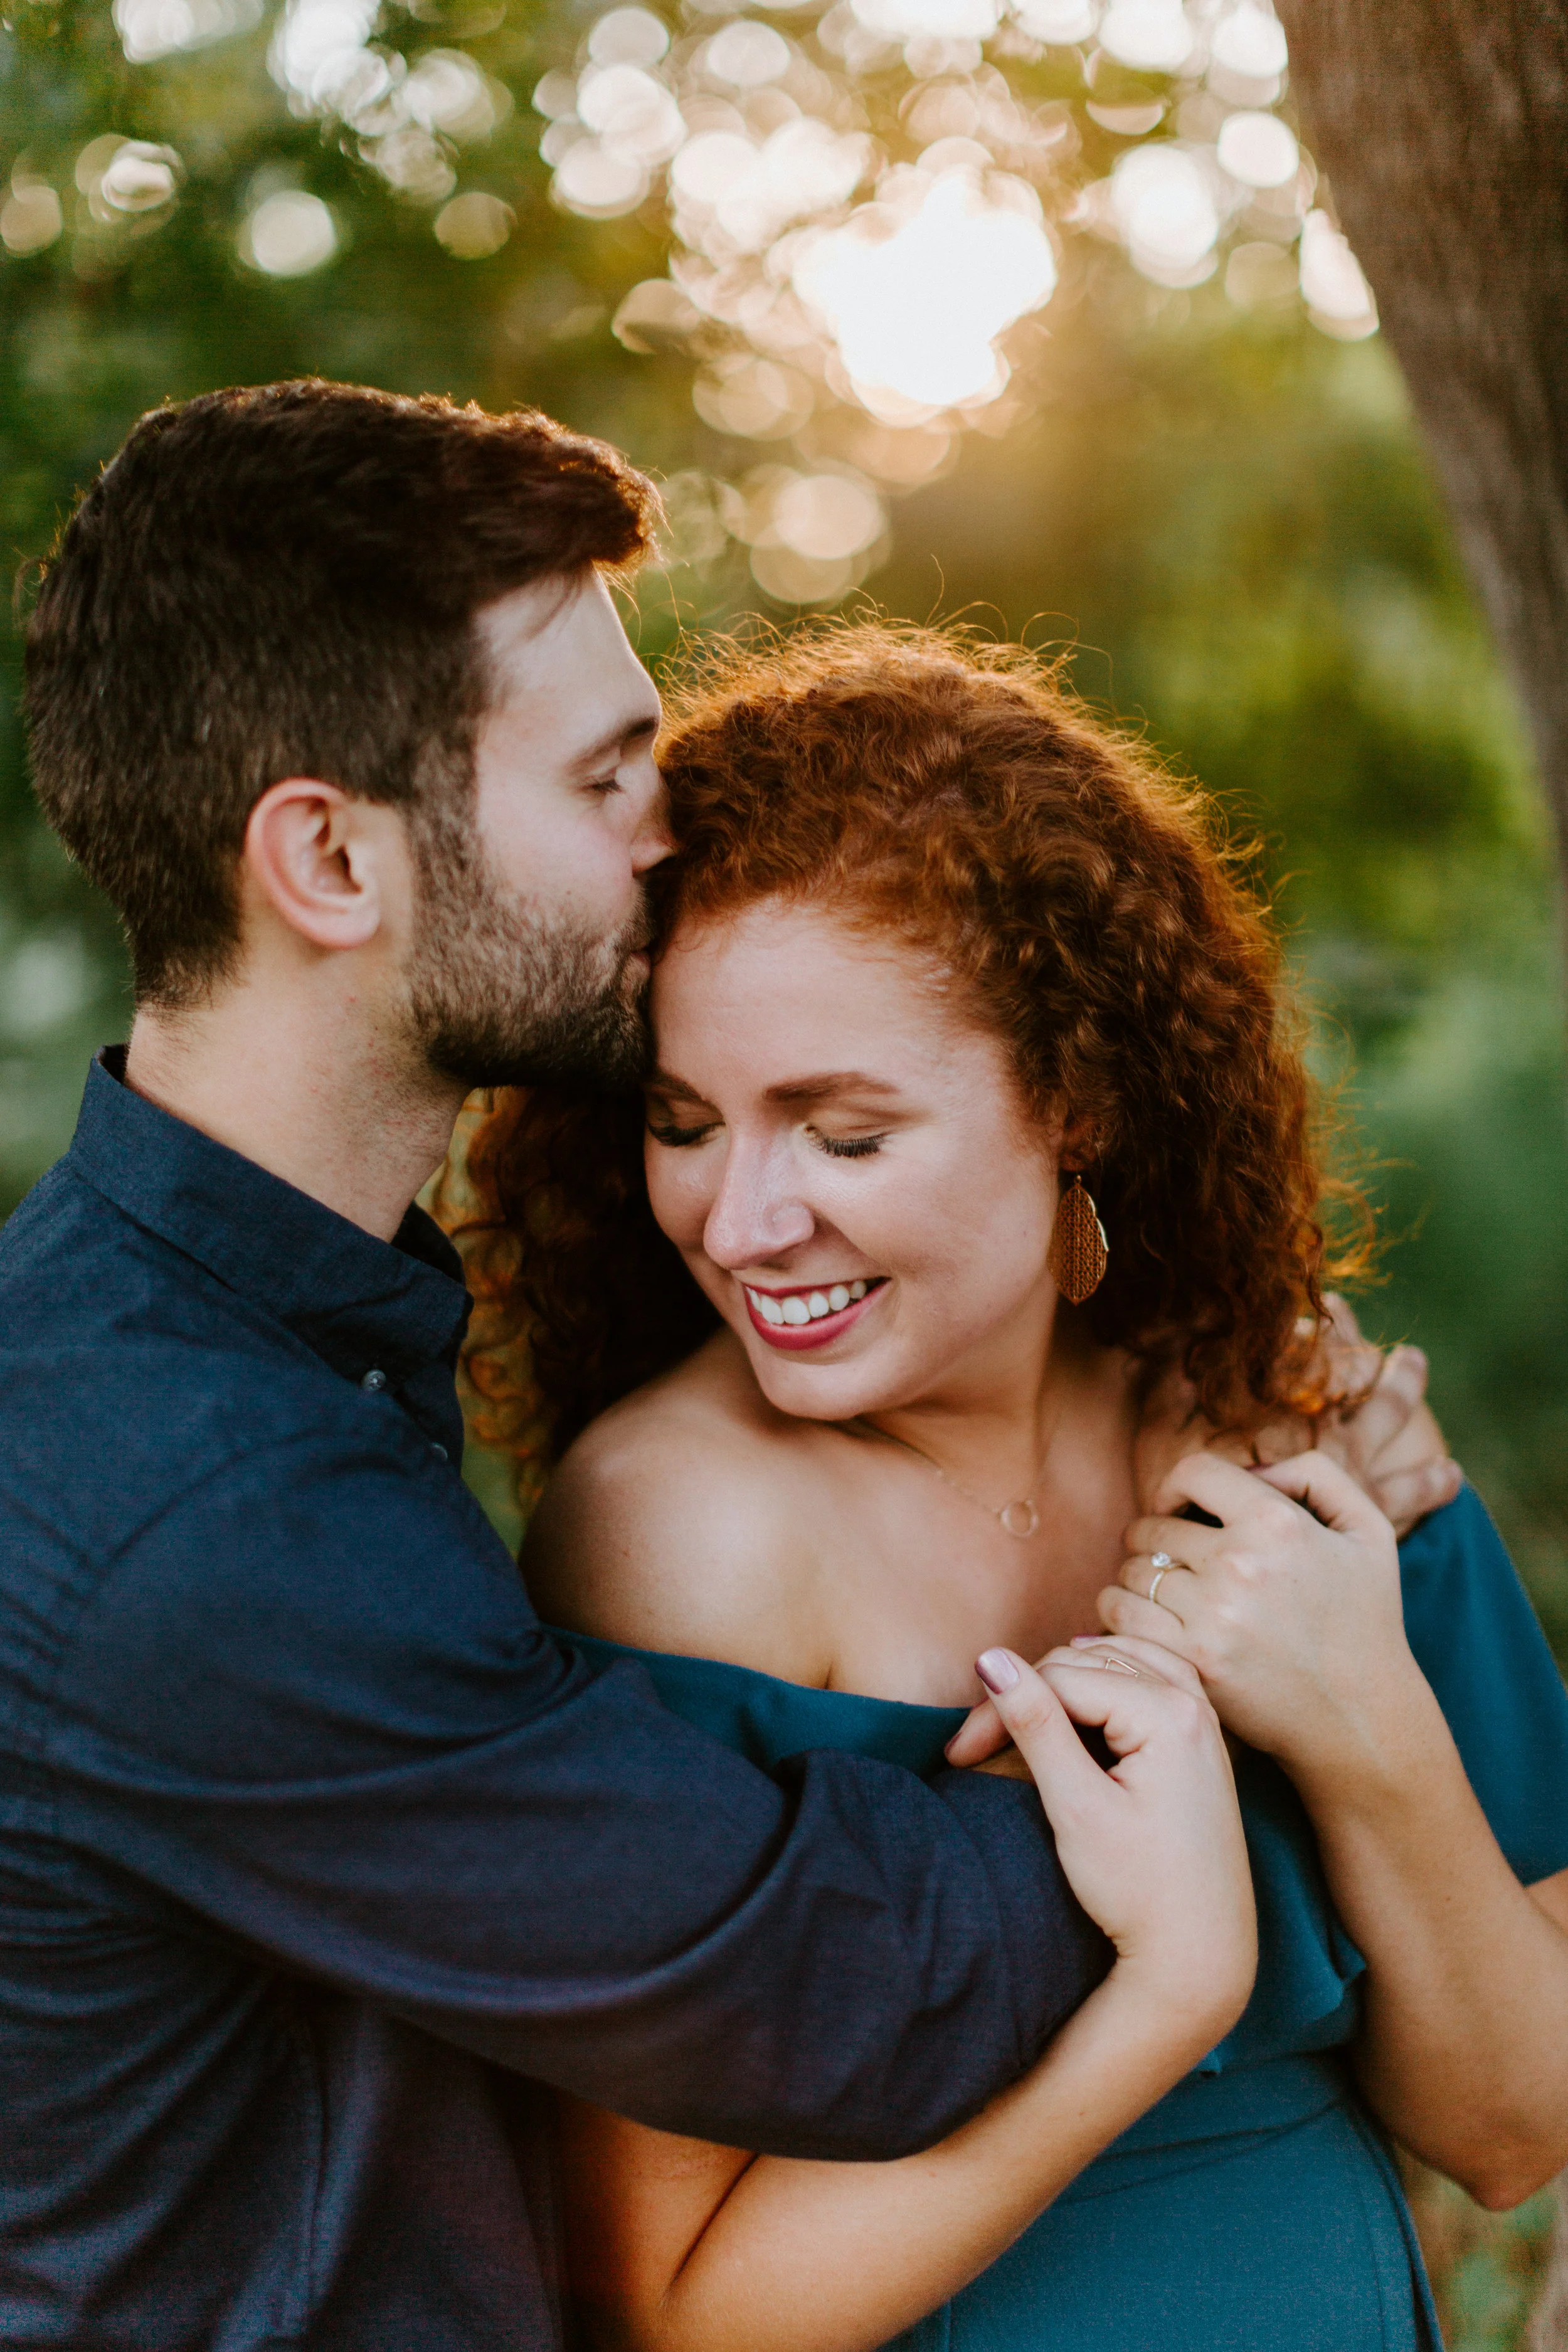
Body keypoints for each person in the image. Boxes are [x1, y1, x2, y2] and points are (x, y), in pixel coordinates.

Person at [0, 382, 1245, 2352]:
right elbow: (826, 1988)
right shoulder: (188, 1489)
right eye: (598, 780)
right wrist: (1247, 1682)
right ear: (328, 862)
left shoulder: (257, 1337)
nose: (663, 834)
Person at [453, 625, 1568, 2352]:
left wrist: (1356, 1715)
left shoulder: (1292, 1424)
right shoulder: (680, 1532)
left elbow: (1511, 2131)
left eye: (842, 1132)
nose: (739, 1221)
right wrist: (1164, 1987)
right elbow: (678, 2314)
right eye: (683, 1119)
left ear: (1074, 1097)